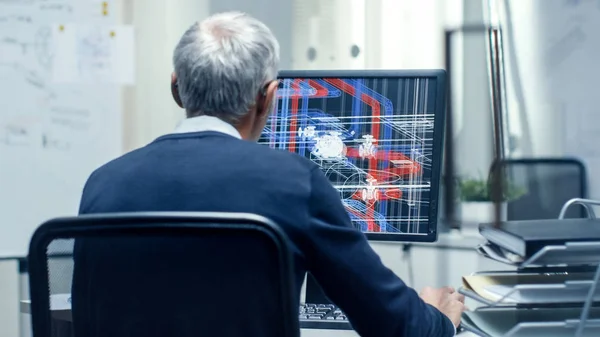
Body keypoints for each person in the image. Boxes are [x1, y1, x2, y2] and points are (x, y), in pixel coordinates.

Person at [75, 11, 465, 337]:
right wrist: (437, 318)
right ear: (269, 97)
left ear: (176, 89)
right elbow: (393, 323)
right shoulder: (295, 182)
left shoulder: (103, 183)